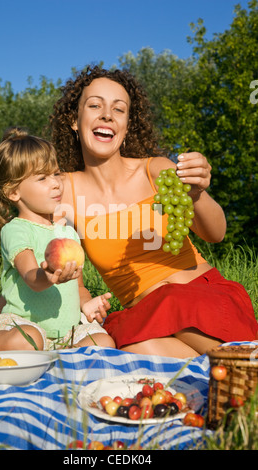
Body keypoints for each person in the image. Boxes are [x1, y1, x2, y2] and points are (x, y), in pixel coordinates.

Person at [49, 65, 258, 358]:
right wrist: (85, 302)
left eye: (118, 109)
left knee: (165, 310)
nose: (107, 114)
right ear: (74, 119)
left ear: (127, 125)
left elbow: (216, 233)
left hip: (205, 298)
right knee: (130, 347)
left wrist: (196, 194)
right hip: (146, 318)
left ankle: (243, 365)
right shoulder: (62, 192)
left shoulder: (156, 170)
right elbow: (75, 280)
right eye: (95, 105)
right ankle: (237, 367)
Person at [0, 127, 115, 355]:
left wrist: (87, 304)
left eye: (56, 174)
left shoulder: (69, 234)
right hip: (19, 325)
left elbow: (80, 286)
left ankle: (52, 361)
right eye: (43, 178)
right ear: (14, 192)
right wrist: (49, 277)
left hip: (65, 334)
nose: (55, 183)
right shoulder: (16, 230)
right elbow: (31, 278)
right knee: (31, 339)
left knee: (103, 343)